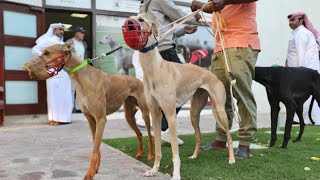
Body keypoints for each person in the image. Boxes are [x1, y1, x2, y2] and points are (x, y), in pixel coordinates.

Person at [191, 0, 260, 158]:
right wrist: (201, 6)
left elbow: (223, 3)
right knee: (219, 96)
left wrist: (223, 1)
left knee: (242, 94)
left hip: (240, 43)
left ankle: (244, 144)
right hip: (221, 46)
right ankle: (221, 139)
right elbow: (220, 6)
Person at [140, 0, 200, 145]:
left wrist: (181, 31)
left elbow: (160, 31)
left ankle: (159, 130)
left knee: (160, 94)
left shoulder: (145, 4)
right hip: (165, 52)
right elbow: (179, 15)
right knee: (182, 89)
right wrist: (196, 15)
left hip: (153, 53)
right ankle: (163, 130)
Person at [32, 23, 73, 126]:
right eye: (59, 29)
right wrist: (44, 56)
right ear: (54, 30)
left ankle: (64, 118)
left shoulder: (62, 43)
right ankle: (53, 119)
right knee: (54, 95)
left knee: (65, 95)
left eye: (62, 30)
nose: (61, 32)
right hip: (53, 71)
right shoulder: (48, 41)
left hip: (64, 72)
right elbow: (34, 49)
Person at [285, 12, 320, 125]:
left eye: (293, 20)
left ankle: (307, 119)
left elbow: (301, 54)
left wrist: (300, 73)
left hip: (303, 71)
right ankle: (301, 118)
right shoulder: (298, 33)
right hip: (299, 71)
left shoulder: (302, 33)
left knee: (304, 95)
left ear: (301, 21)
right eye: (289, 21)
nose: (290, 23)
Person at [66, 26, 88, 113]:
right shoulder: (69, 42)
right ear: (76, 33)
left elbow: (84, 55)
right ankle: (70, 108)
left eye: (83, 33)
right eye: (81, 33)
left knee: (80, 88)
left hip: (81, 69)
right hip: (72, 68)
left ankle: (79, 107)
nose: (83, 34)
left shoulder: (84, 43)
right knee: (71, 89)